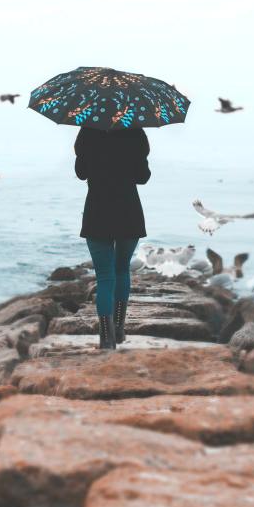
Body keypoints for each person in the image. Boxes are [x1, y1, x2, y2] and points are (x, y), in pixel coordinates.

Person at [74, 126, 151, 349]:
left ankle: (106, 337)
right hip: (128, 213)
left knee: (105, 276)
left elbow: (81, 173)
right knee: (121, 269)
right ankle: (118, 328)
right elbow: (143, 177)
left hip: (97, 214)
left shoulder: (88, 130)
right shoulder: (134, 131)